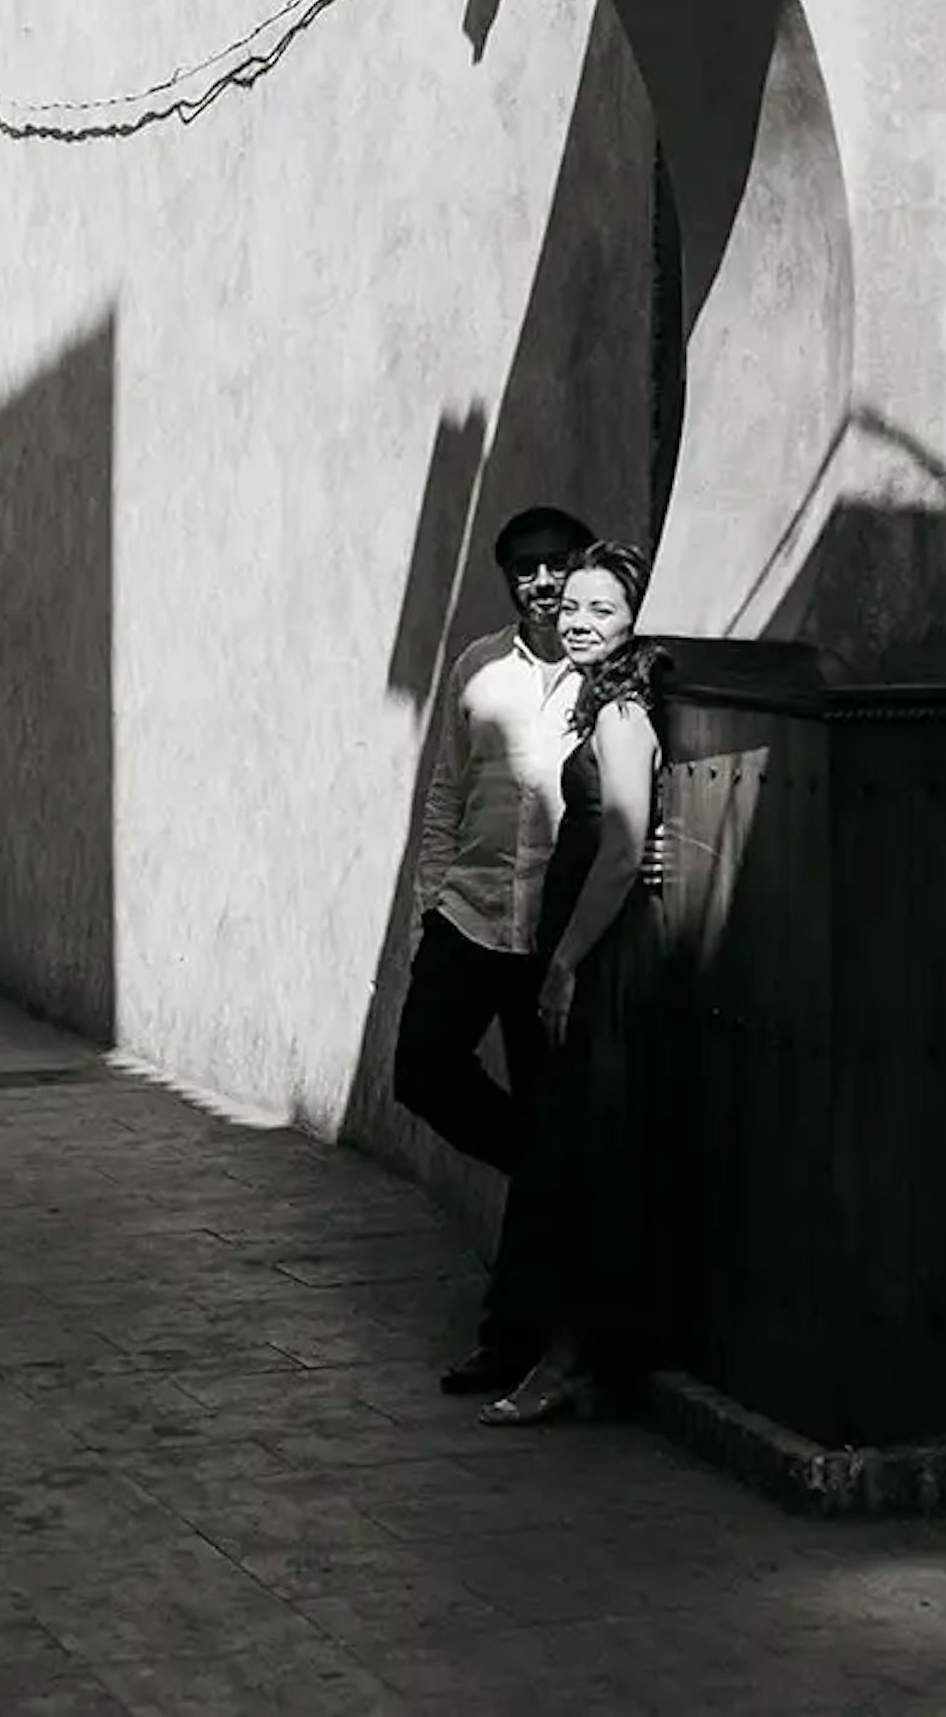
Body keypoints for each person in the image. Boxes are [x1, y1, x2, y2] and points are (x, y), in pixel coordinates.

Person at [392, 503, 597, 1397]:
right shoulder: (478, 668)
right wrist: (426, 908)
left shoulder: (606, 679)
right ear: (509, 581)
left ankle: (507, 1338)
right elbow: (445, 792)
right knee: (422, 1071)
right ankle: (545, 1163)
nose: (542, 582)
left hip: (551, 939)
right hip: (470, 917)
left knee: (550, 1117)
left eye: (556, 566)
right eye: (526, 570)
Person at [478, 538, 673, 1428]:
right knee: (573, 1146)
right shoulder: (605, 702)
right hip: (585, 938)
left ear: (634, 618)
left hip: (595, 951)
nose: (580, 620)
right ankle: (575, 1356)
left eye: (603, 608)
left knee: (579, 1152)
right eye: (574, 606)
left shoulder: (622, 713)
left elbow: (625, 846)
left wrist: (563, 962)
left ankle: (565, 1360)